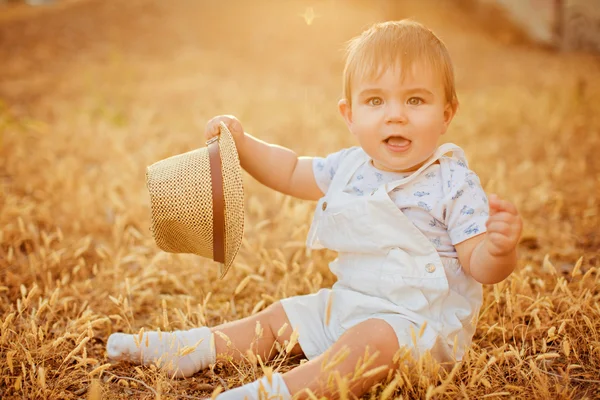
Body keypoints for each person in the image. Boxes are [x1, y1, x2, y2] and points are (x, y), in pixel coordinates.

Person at [106, 19, 523, 399]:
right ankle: (193, 346)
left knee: (370, 341)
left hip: (419, 329)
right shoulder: (349, 167)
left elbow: (479, 266)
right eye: (375, 101)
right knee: (279, 317)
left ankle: (275, 393)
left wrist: (499, 251)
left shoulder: (452, 181)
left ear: (447, 113)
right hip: (349, 304)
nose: (395, 116)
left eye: (415, 100)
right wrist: (244, 144)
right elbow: (288, 170)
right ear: (350, 115)